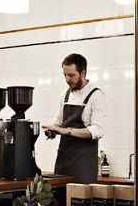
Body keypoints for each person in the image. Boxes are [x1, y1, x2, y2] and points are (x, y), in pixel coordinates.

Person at [42, 53, 105, 184]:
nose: (67, 79)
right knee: (58, 200)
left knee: (79, 202)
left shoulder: (96, 95)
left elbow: (98, 131)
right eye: (65, 75)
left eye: (71, 75)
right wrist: (53, 130)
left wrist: (67, 131)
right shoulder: (65, 95)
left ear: (83, 73)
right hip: (63, 162)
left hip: (84, 165)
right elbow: (58, 121)